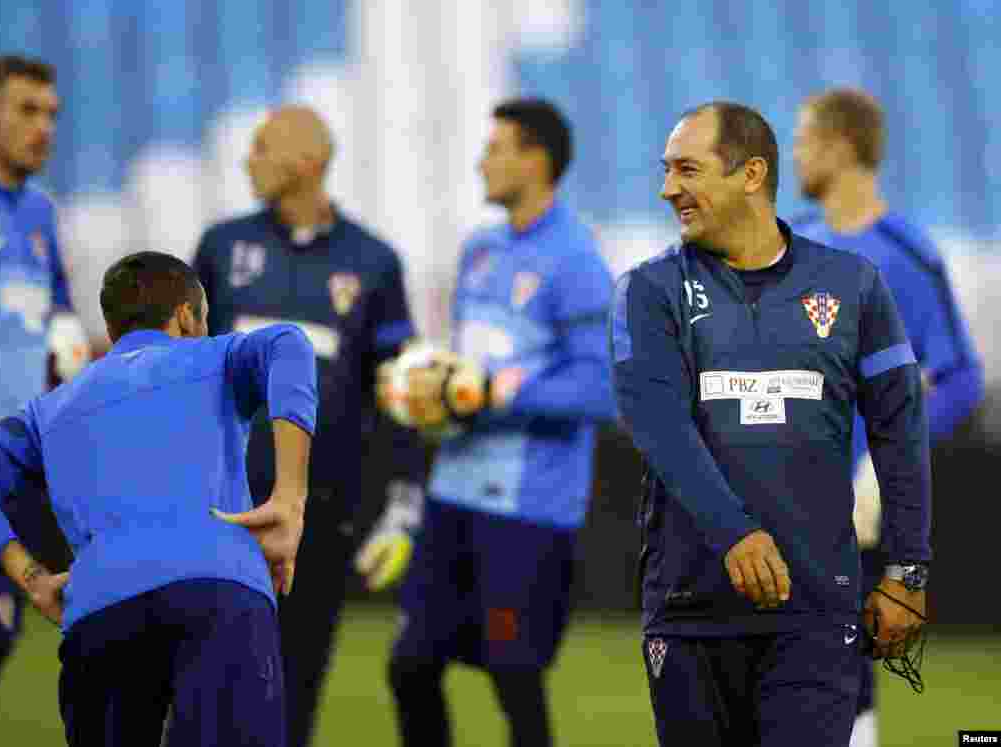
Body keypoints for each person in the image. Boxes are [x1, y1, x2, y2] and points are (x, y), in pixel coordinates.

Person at [610, 102, 932, 747]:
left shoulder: (854, 286)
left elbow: (900, 430)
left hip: (815, 612)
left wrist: (908, 570)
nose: (668, 187)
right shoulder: (647, 291)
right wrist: (736, 533)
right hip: (690, 610)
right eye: (666, 170)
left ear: (751, 174)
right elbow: (660, 426)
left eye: (686, 169)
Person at [0, 251, 316, 746]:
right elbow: (290, 343)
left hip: (98, 611)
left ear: (113, 330)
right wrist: (290, 496)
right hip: (218, 593)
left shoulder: (48, 411)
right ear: (185, 314)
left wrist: (29, 577)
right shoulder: (214, 358)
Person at [375, 98, 615, 747]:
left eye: (495, 147)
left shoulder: (577, 261)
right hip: (453, 492)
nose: (482, 160)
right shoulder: (479, 248)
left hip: (528, 508)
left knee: (515, 675)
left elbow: (601, 388)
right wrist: (432, 395)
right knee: (409, 665)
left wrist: (496, 395)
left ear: (534, 160)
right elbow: (468, 371)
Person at [191, 105, 426, 747]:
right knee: (203, 694)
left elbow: (398, 396)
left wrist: (403, 505)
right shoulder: (220, 247)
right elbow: (176, 372)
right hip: (219, 507)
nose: (248, 159)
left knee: (292, 698)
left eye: (262, 147)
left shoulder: (374, 263)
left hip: (318, 517)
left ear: (308, 162)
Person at [791, 87, 985, 747]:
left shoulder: (907, 252)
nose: (794, 153)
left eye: (804, 138)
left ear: (842, 146)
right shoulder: (793, 246)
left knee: (840, 673)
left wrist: (882, 462)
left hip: (856, 506)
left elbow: (961, 377)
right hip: (783, 491)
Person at [0, 54, 88, 744]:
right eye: (27, 110)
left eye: (52, 114)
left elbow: (60, 322)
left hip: (5, 469)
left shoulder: (41, 215)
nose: (44, 127)